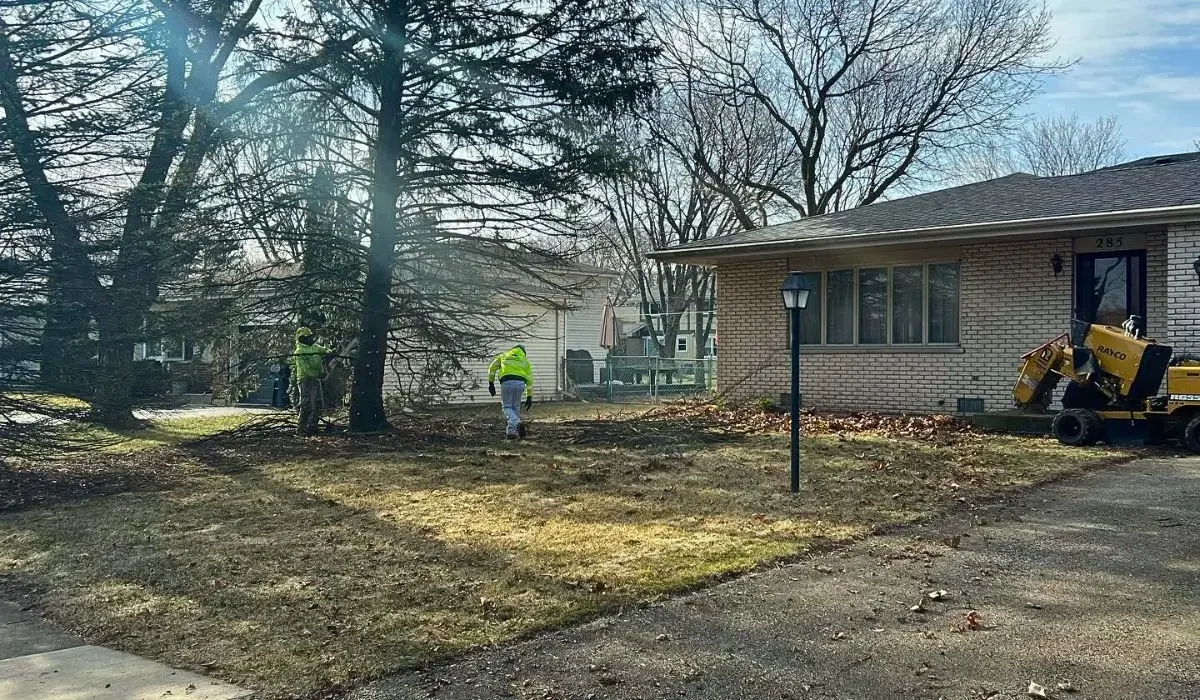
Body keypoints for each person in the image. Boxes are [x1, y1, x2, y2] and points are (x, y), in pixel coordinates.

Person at [488, 345, 534, 439]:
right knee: (515, 407)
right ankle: (511, 433)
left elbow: (492, 368)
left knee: (507, 406)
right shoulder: (525, 361)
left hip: (507, 382)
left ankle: (516, 424)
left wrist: (491, 383)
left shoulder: (504, 356)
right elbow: (529, 379)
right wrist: (529, 396)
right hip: (521, 383)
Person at [290, 326, 330, 436]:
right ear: (302, 339)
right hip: (305, 380)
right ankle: (301, 429)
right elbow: (305, 368)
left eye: (311, 337)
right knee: (306, 404)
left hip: (316, 379)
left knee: (318, 404)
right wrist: (318, 374)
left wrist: (327, 346)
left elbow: (326, 351)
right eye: (308, 337)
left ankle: (313, 427)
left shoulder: (315, 347)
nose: (311, 339)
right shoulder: (299, 351)